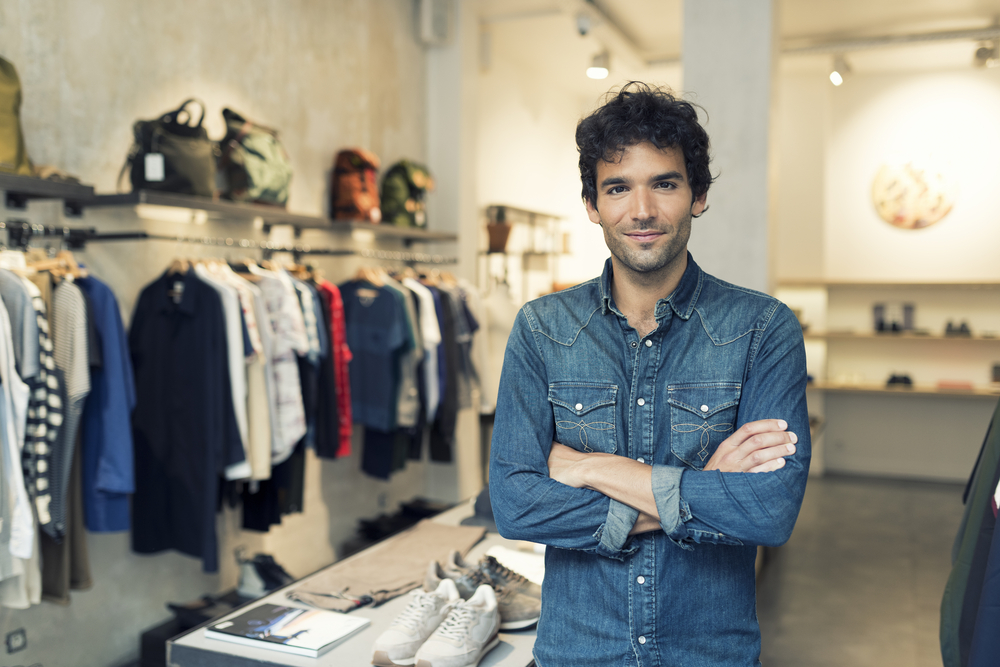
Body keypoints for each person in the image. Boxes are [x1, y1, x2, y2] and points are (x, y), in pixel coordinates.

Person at [489, 81, 811, 667]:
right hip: (576, 651)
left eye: (664, 183)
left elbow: (767, 510)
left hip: (709, 654)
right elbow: (515, 504)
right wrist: (701, 491)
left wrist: (590, 468)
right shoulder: (541, 328)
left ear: (698, 194)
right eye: (618, 188)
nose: (641, 211)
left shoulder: (763, 329)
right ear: (592, 205)